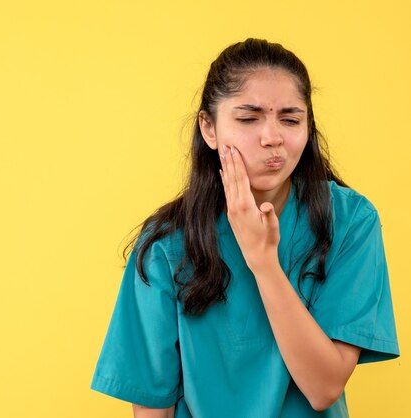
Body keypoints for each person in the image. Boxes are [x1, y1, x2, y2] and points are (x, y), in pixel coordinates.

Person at [89, 38, 400, 418]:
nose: (272, 137)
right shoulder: (165, 243)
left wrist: (263, 261)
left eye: (290, 119)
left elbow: (324, 388)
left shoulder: (351, 221)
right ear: (209, 128)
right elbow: (154, 408)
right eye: (248, 118)